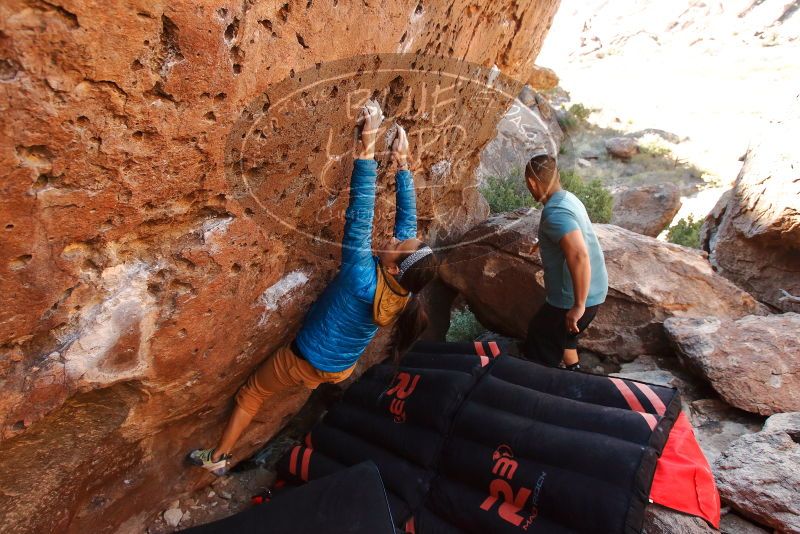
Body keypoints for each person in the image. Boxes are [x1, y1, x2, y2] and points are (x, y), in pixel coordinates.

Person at [188, 101, 438, 475]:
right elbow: (408, 225)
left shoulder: (361, 277)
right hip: (338, 365)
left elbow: (360, 215)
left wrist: (368, 143)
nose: (395, 237)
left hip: (306, 359)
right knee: (299, 382)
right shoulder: (404, 288)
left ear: (393, 266)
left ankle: (218, 457)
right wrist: (404, 165)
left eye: (398, 245)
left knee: (253, 393)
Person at [522, 152, 608, 371]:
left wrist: (578, 306)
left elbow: (579, 255)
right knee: (566, 337)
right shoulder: (568, 199)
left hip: (572, 300)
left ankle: (537, 387)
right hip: (595, 292)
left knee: (540, 340)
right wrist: (545, 241)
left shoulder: (555, 213)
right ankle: (574, 373)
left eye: (528, 185)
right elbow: (573, 233)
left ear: (532, 182)